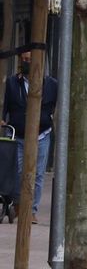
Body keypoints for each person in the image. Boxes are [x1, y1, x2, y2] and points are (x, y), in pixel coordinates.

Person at [2, 51, 58, 221]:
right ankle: (19, 205)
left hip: (42, 135)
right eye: (24, 60)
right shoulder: (13, 83)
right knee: (18, 172)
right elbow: (6, 105)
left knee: (38, 173)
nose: (26, 62)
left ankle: (31, 210)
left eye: (30, 60)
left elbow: (55, 106)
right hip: (18, 135)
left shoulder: (51, 85)